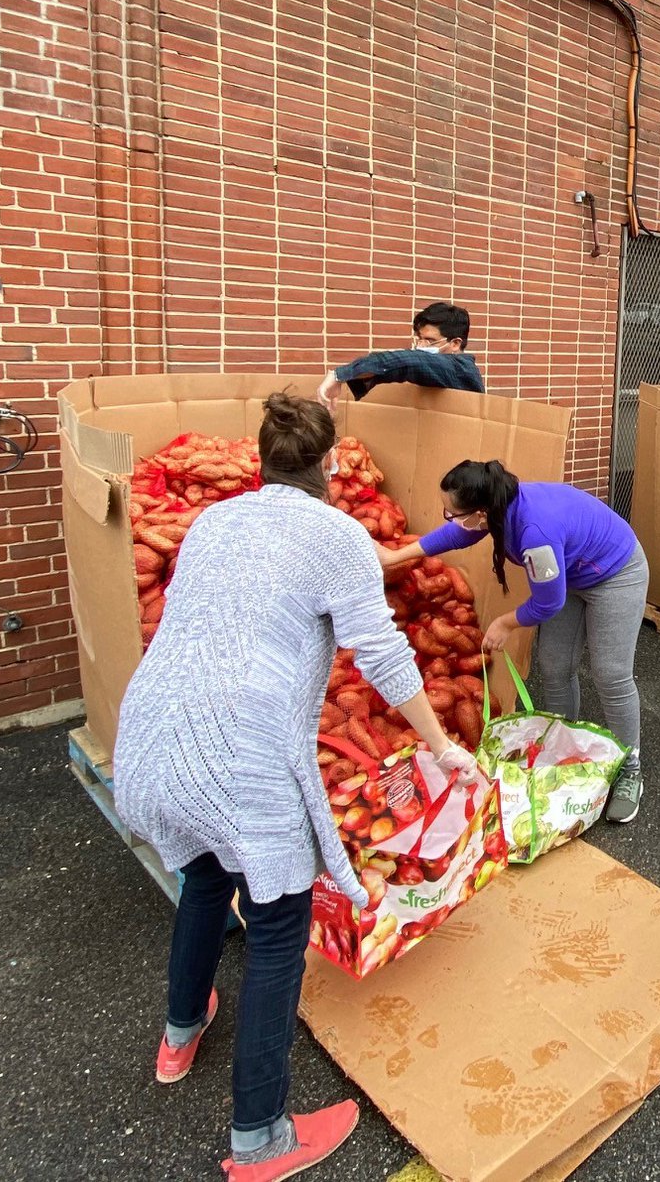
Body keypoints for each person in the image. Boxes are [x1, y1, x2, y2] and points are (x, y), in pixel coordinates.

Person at [114, 393, 480, 1182]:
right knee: (279, 929)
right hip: (240, 753)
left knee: (206, 877)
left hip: (150, 731)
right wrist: (444, 746)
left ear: (261, 457)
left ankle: (181, 1032)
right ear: (331, 461)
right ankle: (261, 1139)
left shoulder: (216, 521)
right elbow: (380, 656)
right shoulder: (338, 534)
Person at [377, 461, 649, 823]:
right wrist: (396, 556)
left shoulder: (535, 531)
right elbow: (458, 534)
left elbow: (548, 601)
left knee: (610, 675)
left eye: (453, 513)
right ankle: (561, 743)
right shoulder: (498, 506)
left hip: (616, 573)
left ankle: (630, 768)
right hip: (571, 573)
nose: (449, 519)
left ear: (481, 512)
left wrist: (507, 622)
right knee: (553, 665)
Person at [317, 302, 484, 406]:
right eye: (420, 338)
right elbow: (394, 370)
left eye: (429, 340)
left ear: (455, 343)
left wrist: (340, 375)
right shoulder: (438, 371)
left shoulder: (460, 369)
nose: (421, 345)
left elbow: (410, 363)